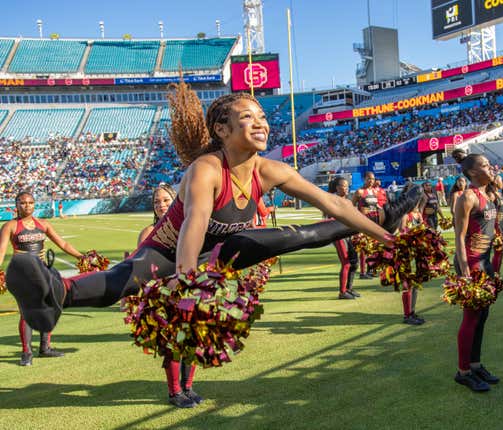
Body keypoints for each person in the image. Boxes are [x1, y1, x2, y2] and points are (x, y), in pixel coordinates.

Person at [7, 88, 421, 405]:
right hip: (169, 252)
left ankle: (383, 220)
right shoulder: (206, 168)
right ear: (222, 130)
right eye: (247, 118)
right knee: (124, 281)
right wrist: (187, 282)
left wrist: (383, 235)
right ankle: (53, 291)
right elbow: (194, 224)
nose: (260, 123)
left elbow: (332, 203)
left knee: (299, 235)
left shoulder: (271, 170)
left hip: (222, 253)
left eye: (262, 116)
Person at [136, 183, 203, 407]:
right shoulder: (147, 232)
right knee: (174, 343)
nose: (161, 205)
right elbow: (139, 266)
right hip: (164, 293)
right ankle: (175, 392)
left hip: (190, 290)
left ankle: (188, 387)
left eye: (166, 200)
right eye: (156, 202)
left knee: (193, 339)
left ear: (175, 201)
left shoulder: (189, 225)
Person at [0, 191, 83, 366]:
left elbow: (63, 244)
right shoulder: (10, 226)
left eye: (30, 202)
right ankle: (26, 353)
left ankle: (45, 348)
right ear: (16, 205)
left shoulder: (43, 224)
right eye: (23, 203)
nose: (27, 206)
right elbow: (1, 252)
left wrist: (82, 257)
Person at [452, 149, 499, 392]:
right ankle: (463, 372)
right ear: (471, 171)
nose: (490, 167)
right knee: (470, 318)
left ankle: (475, 364)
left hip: (485, 262)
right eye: (485, 164)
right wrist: (465, 271)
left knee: (483, 316)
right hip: (471, 265)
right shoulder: (467, 197)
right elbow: (459, 237)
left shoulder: (488, 195)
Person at [328, 177, 360, 300]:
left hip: (348, 233)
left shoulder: (347, 200)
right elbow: (332, 218)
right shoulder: (333, 200)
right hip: (338, 234)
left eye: (347, 186)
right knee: (346, 263)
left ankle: (349, 288)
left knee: (354, 262)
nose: (346, 188)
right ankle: (342, 292)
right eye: (344, 186)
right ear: (337, 187)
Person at [399, 193, 425, 326]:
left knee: (415, 284)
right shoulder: (405, 215)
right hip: (406, 252)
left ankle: (412, 311)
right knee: (407, 284)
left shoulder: (419, 215)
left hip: (416, 252)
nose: (416, 204)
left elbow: (423, 229)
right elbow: (402, 231)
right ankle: (407, 315)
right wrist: (414, 231)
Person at [352, 172, 382, 279]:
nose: (371, 181)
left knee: (373, 247)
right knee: (363, 247)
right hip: (363, 223)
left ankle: (370, 270)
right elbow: (352, 206)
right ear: (364, 179)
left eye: (373, 179)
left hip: (373, 222)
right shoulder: (359, 192)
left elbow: (377, 206)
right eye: (369, 179)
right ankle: (362, 272)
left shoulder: (374, 192)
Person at [490, 176, 503, 274]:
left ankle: (497, 275)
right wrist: (494, 229)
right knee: (498, 252)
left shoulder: (499, 193)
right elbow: (491, 213)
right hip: (496, 227)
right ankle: (494, 276)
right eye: (501, 180)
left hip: (502, 226)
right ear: (495, 181)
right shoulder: (491, 195)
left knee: (501, 252)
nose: (502, 182)